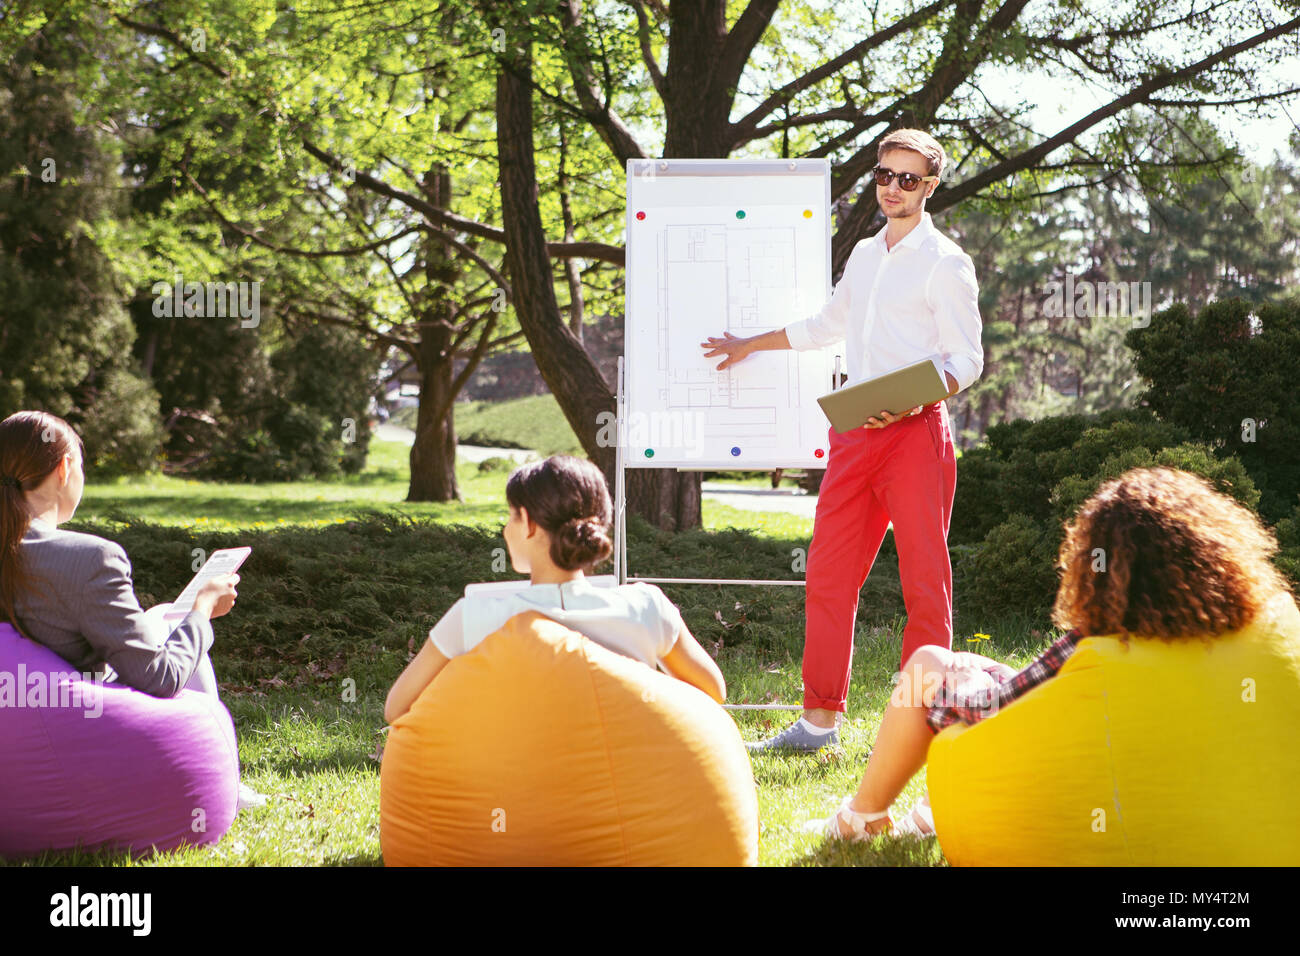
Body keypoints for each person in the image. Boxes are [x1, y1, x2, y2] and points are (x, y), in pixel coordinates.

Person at [809, 466, 1299, 840]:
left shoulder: (1095, 652)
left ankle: (862, 817)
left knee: (927, 666)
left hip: (1055, 782)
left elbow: (999, 709)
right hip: (1190, 799)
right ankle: (925, 813)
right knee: (971, 667)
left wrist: (949, 685)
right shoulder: (1257, 631)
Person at [701, 128, 983, 751]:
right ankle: (818, 723)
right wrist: (752, 343)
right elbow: (828, 324)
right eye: (884, 175)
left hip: (915, 435)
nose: (892, 188)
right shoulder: (863, 254)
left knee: (924, 585)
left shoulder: (946, 263)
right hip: (855, 433)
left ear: (930, 186)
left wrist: (909, 399)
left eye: (907, 179)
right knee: (828, 576)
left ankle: (921, 724)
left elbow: (967, 361)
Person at [0, 410, 264, 809]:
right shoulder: (90, 559)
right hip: (80, 730)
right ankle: (222, 777)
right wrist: (202, 610)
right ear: (64, 468)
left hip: (18, 718)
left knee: (163, 616)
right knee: (179, 621)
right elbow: (159, 678)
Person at [385, 455, 726, 723]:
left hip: (514, 783)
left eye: (511, 516)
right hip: (621, 780)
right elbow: (712, 692)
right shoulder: (646, 606)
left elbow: (397, 708)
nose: (505, 529)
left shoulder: (473, 617)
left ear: (529, 523)